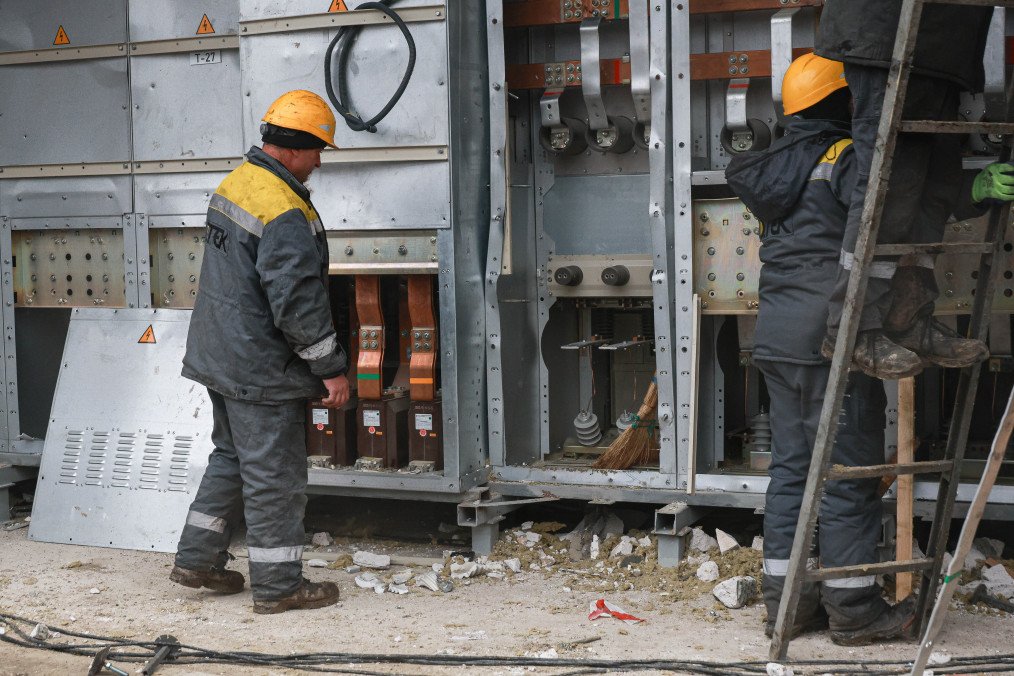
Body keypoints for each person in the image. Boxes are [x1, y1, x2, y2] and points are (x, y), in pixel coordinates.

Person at [727, 54, 912, 646]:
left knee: (791, 472)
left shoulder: (777, 166)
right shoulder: (844, 158)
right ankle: (855, 608)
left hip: (777, 338)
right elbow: (896, 214)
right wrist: (973, 191)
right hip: (834, 335)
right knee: (849, 475)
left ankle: (789, 605)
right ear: (841, 102)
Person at [170, 90, 352, 614]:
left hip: (221, 353)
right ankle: (278, 587)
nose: (319, 161)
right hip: (260, 366)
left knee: (231, 456)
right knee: (275, 474)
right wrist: (331, 369)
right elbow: (296, 302)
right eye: (318, 150)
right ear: (294, 148)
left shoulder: (239, 183)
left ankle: (198, 559)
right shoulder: (284, 209)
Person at [816, 1, 1003, 379]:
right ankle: (852, 329)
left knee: (936, 184)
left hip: (945, 49)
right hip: (886, 37)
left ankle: (909, 316)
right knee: (888, 186)